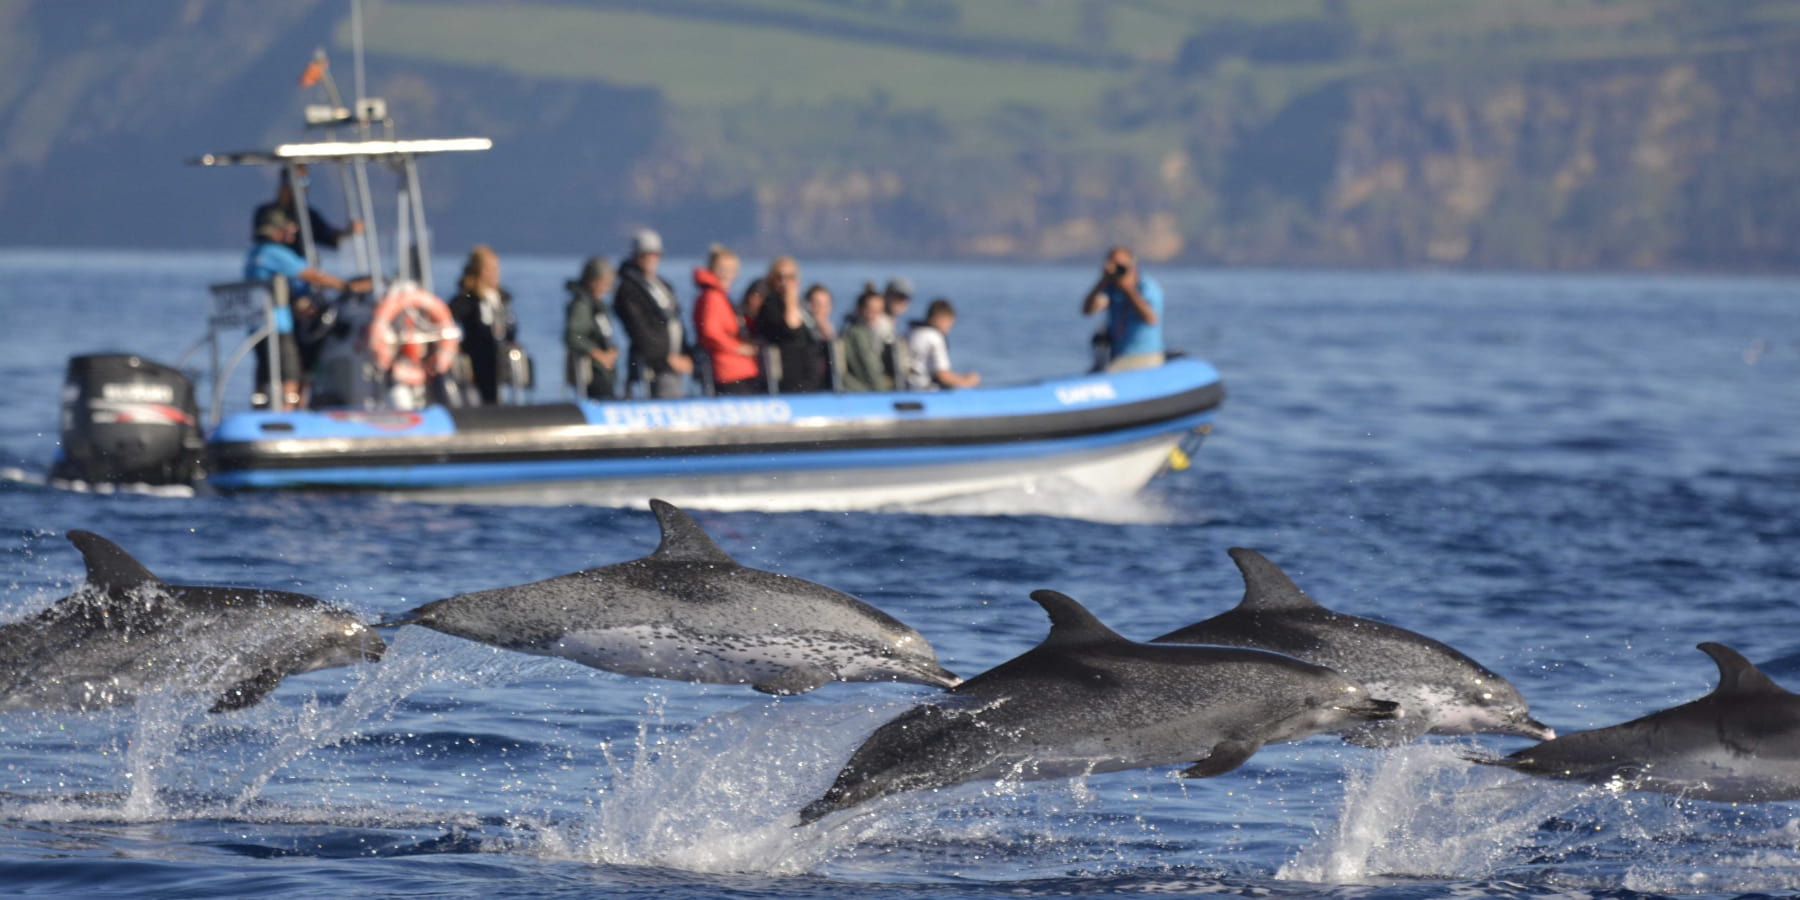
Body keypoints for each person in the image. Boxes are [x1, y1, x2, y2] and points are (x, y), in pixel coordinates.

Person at [243, 206, 370, 409]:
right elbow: (311, 275)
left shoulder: (255, 253)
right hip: (277, 327)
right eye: (288, 226)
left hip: (257, 327)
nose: (293, 229)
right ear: (275, 229)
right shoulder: (274, 252)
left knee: (266, 377)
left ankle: (263, 411)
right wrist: (348, 287)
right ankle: (287, 419)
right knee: (290, 377)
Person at [614, 228, 691, 399]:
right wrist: (665, 358)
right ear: (635, 256)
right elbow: (639, 330)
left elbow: (676, 322)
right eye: (645, 255)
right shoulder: (628, 289)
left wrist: (687, 354)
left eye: (655, 254)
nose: (651, 259)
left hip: (675, 363)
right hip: (653, 366)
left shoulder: (663, 285)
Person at [447, 244, 518, 406]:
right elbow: (450, 322)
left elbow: (511, 326)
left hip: (500, 356)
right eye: (489, 269)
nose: (494, 273)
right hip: (477, 357)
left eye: (496, 268)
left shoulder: (502, 298)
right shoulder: (466, 300)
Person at [1081, 244, 1165, 371]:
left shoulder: (1146, 287)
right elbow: (1088, 310)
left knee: (1109, 375)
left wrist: (1127, 289)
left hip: (1144, 355)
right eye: (1111, 264)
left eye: (1119, 265)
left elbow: (1150, 318)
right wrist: (1102, 282)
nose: (1115, 269)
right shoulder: (1112, 288)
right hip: (1117, 355)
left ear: (1131, 265)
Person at [692, 245, 761, 395]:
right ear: (712, 268)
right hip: (728, 371)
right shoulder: (712, 297)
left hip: (737, 368)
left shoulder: (720, 296)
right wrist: (738, 348)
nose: (727, 274)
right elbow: (710, 332)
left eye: (732, 270)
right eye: (722, 269)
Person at [252, 166, 361, 258]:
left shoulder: (309, 215)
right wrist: (281, 234)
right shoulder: (266, 212)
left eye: (305, 181)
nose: (303, 186)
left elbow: (329, 237)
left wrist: (348, 231)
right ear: (284, 183)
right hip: (277, 274)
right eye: (298, 181)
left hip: (303, 274)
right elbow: (263, 238)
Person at [753, 256, 826, 394]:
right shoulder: (770, 305)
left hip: (811, 376)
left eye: (790, 277)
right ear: (771, 279)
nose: (785, 282)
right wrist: (790, 297)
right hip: (789, 380)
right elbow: (792, 328)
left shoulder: (802, 305)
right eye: (779, 277)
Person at [563, 255, 619, 401]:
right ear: (592, 281)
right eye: (603, 283)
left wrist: (612, 351)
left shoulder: (597, 305)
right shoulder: (582, 305)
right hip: (590, 371)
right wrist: (598, 354)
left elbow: (603, 332)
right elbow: (573, 336)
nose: (606, 288)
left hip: (604, 370)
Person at [906, 298, 980, 391]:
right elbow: (942, 375)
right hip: (925, 391)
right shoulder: (934, 337)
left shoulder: (911, 332)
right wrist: (966, 381)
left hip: (908, 387)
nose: (950, 327)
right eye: (949, 322)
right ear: (940, 318)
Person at [839, 284, 892, 392]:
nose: (874, 316)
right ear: (860, 310)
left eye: (879, 311)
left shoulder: (874, 333)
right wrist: (886, 390)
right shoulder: (857, 334)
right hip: (863, 390)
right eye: (870, 310)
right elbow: (869, 369)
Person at [880, 276, 913, 343]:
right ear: (885, 296)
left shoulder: (890, 322)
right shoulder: (879, 323)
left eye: (905, 297)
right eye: (896, 296)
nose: (901, 301)